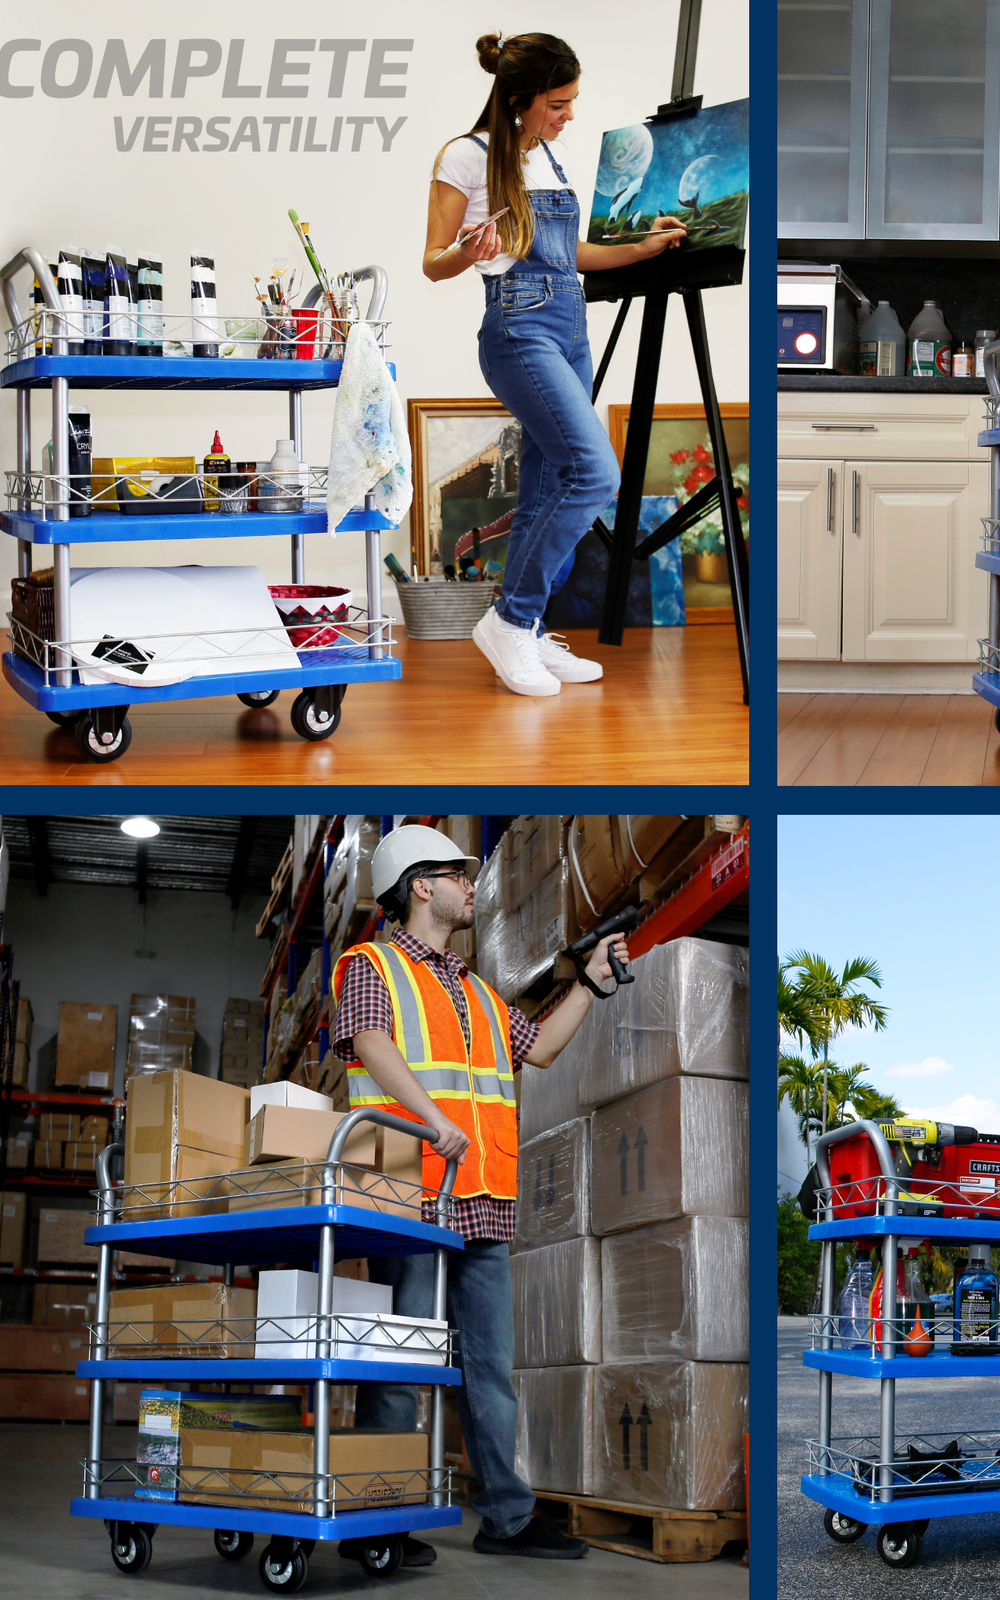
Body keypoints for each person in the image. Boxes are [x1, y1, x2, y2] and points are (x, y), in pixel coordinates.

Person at [331, 823, 632, 1563]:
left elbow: (546, 1048)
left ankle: (506, 1516)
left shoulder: (477, 991)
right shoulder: (369, 965)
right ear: (419, 886)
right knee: (401, 1366)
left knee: (490, 1370)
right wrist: (434, 1122)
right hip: (410, 1197)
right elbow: (371, 1043)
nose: (472, 885)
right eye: (457, 875)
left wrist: (590, 982)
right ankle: (381, 1518)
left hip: (484, 1201)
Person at [424, 32, 687, 697]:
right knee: (595, 473)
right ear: (519, 100)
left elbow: (572, 255)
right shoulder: (467, 155)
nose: (569, 116)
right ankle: (510, 623)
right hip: (518, 326)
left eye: (571, 103)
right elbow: (433, 261)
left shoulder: (555, 157)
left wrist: (642, 250)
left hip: (571, 326)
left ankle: (529, 626)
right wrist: (468, 249)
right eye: (558, 104)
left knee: (551, 482)